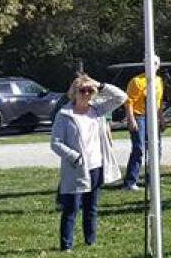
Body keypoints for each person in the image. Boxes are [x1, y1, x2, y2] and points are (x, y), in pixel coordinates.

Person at [50, 75, 126, 252]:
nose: (86, 94)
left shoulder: (97, 110)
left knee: (92, 207)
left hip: (97, 165)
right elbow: (55, 142)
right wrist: (74, 157)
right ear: (74, 92)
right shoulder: (64, 114)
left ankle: (90, 241)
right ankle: (66, 245)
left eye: (89, 90)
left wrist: (99, 84)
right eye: (82, 90)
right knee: (72, 208)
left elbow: (121, 97)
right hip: (76, 167)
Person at [121, 67, 164, 190]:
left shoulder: (159, 80)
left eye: (155, 63)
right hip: (139, 116)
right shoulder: (137, 81)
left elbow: (159, 101)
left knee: (156, 148)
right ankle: (130, 181)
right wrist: (130, 118)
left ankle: (152, 179)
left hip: (153, 117)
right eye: (150, 62)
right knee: (139, 148)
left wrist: (161, 118)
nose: (153, 65)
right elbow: (129, 101)